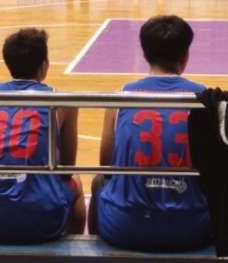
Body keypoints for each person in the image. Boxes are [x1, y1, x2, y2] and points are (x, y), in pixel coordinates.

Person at [0, 28, 85, 243]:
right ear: (44, 65)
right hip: (39, 219)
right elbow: (67, 169)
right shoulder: (63, 101)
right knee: (76, 183)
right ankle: (73, 253)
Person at [90, 15, 211, 251]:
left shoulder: (120, 96)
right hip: (191, 229)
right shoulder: (206, 98)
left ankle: (93, 251)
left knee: (97, 182)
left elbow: (105, 166)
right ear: (186, 55)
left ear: (144, 55)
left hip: (124, 227)